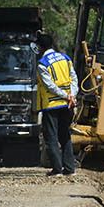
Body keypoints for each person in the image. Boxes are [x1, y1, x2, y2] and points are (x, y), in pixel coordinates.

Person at [36, 32, 77, 176]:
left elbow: (49, 86)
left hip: (52, 105)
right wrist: (72, 96)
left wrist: (66, 96)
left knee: (51, 137)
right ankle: (70, 168)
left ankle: (57, 169)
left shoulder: (42, 63)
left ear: (40, 47)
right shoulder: (65, 58)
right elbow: (74, 78)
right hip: (68, 104)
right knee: (65, 135)